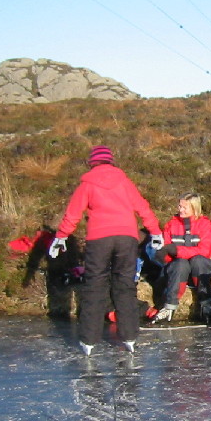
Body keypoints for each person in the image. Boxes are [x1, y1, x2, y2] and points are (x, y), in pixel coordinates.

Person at [49, 146, 162, 356]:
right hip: (126, 238)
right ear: (111, 161)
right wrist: (155, 231)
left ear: (92, 163)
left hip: (99, 239)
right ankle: (129, 337)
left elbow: (73, 214)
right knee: (125, 286)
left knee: (94, 286)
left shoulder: (87, 184)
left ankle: (89, 340)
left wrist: (62, 236)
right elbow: (142, 207)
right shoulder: (124, 182)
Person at [151, 192, 211, 323]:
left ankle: (207, 304)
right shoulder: (172, 224)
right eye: (179, 206)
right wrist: (164, 253)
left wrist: (177, 251)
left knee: (198, 260)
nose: (180, 210)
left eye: (184, 207)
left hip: (198, 269)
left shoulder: (205, 224)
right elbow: (165, 252)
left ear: (194, 208)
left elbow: (205, 250)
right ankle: (169, 307)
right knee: (180, 264)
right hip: (177, 271)